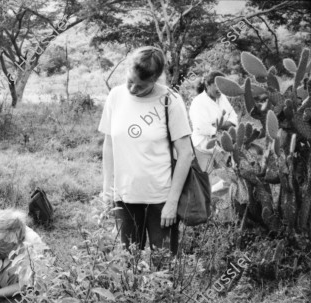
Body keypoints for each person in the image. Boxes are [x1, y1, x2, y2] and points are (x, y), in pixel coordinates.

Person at [98, 46, 194, 255]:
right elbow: (109, 143)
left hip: (160, 198)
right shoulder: (115, 96)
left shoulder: (171, 100)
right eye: (130, 81)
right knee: (128, 262)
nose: (133, 90)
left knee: (164, 262)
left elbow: (186, 153)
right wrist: (107, 189)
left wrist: (172, 202)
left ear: (156, 80)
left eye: (141, 86)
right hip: (124, 197)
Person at [189, 71, 238, 172]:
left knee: (230, 172)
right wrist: (221, 127)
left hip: (223, 142)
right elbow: (201, 127)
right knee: (208, 177)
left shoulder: (222, 98)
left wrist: (217, 125)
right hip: (203, 145)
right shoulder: (198, 102)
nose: (220, 89)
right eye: (216, 85)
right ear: (207, 85)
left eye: (222, 85)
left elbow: (234, 117)